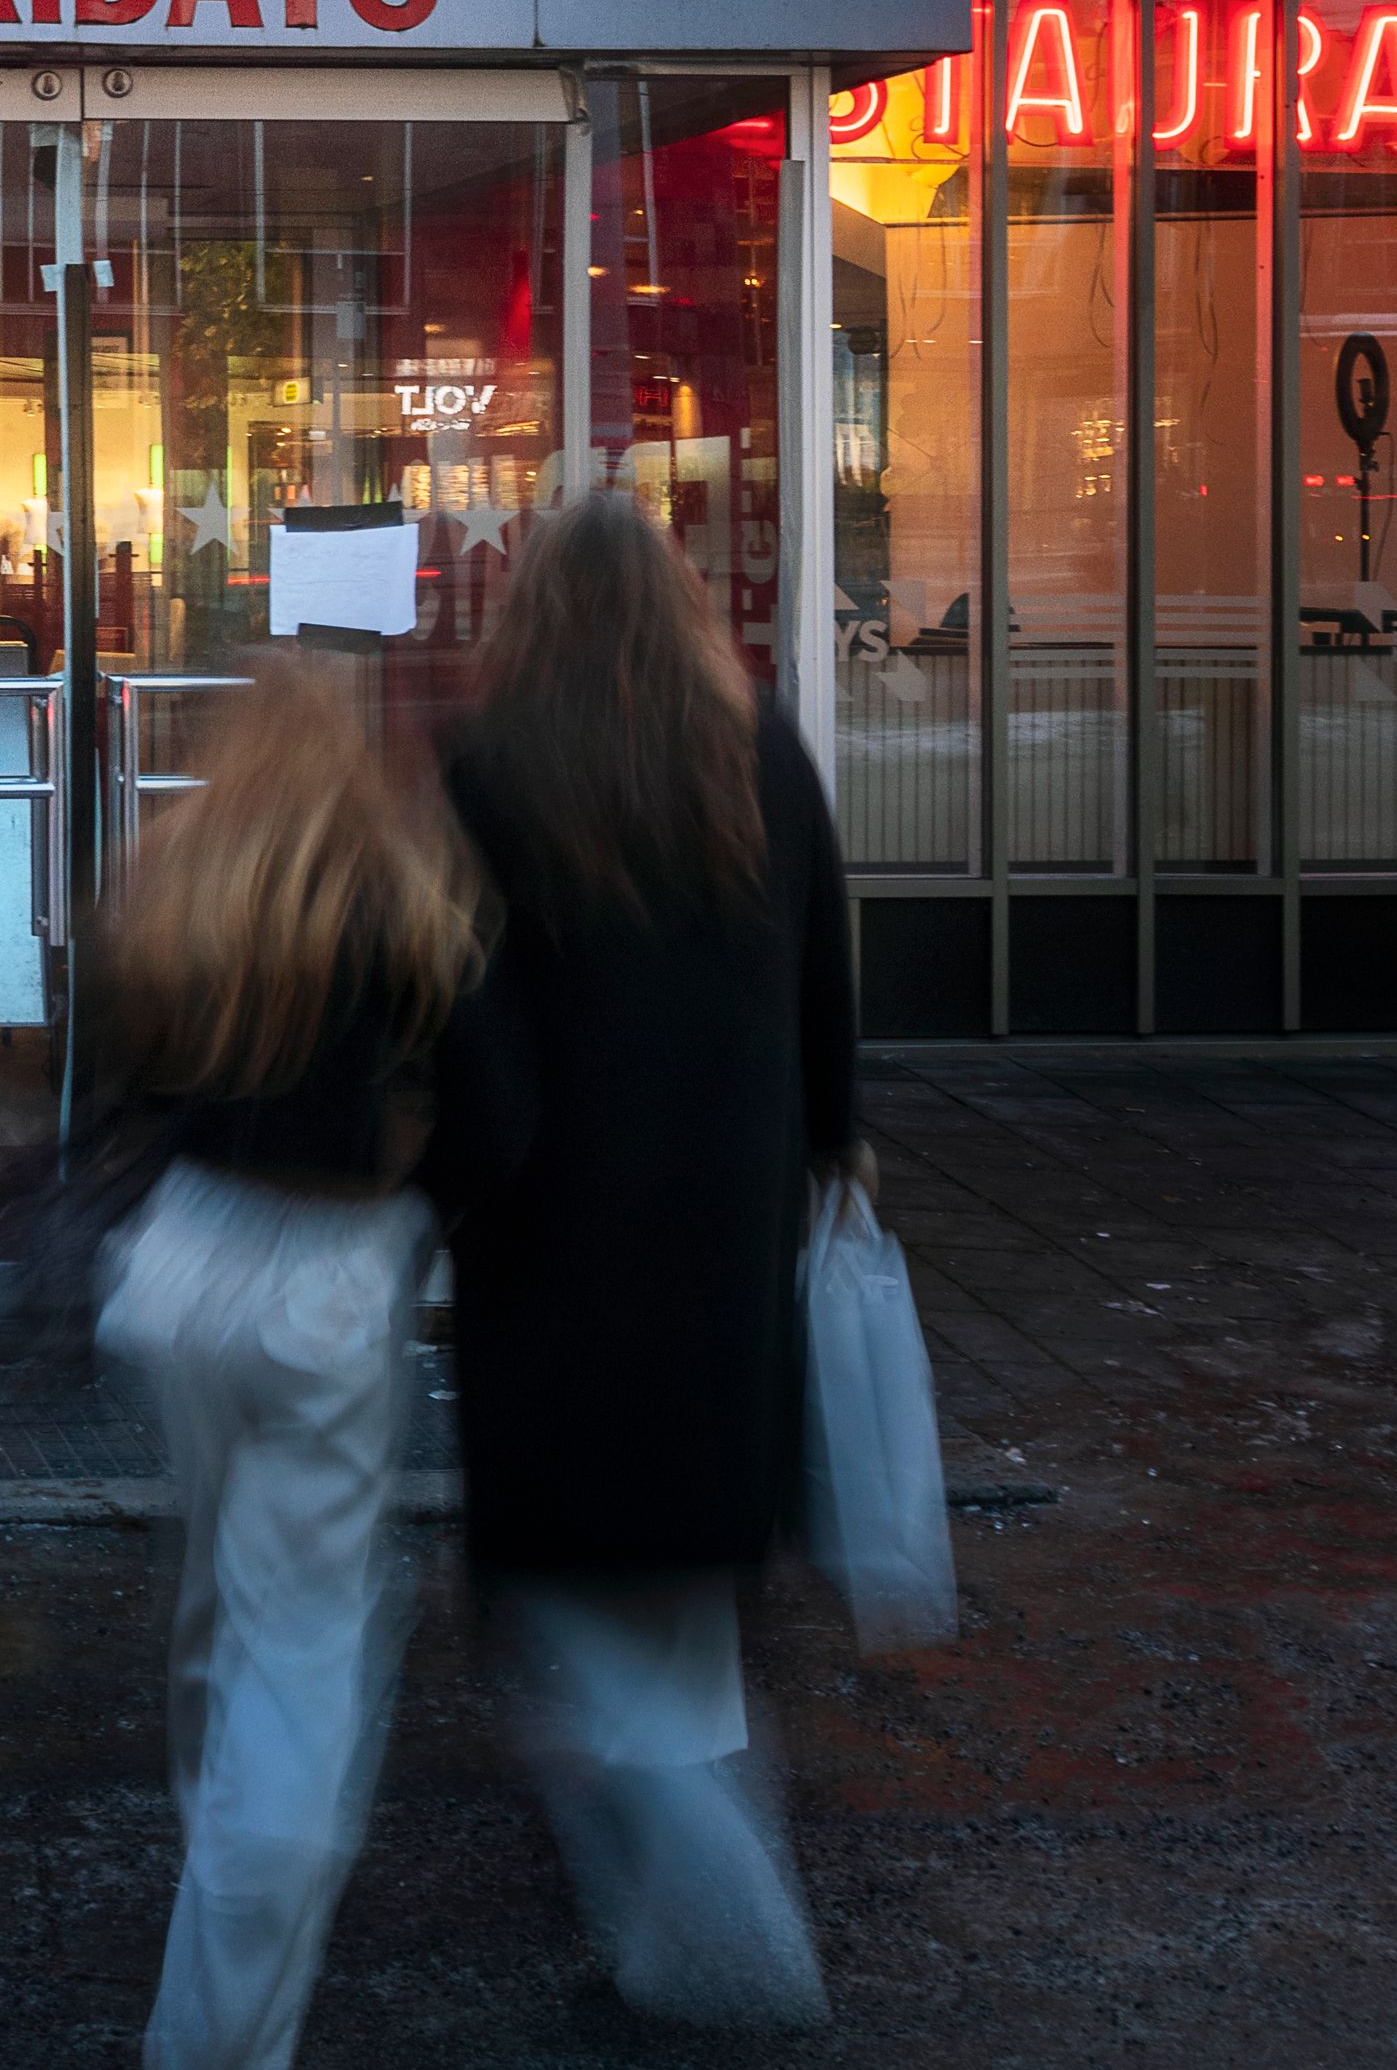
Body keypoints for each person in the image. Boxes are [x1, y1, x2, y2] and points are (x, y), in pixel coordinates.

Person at [425, 490, 865, 2029]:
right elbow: (825, 978)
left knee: (578, 1582)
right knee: (677, 1577)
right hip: (722, 1228)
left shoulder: (491, 770)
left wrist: (453, 1192)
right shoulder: (759, 751)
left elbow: (473, 1027)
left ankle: (724, 1927)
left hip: (560, 1240)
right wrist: (828, 1145)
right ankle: (674, 1904)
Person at [83, 659, 484, 2070]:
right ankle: (223, 2009)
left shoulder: (176, 879)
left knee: (221, 1586)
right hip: (321, 1277)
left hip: (180, 1267)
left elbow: (114, 1084)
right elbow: (484, 1099)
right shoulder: (391, 887)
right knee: (301, 1641)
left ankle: (223, 1848)